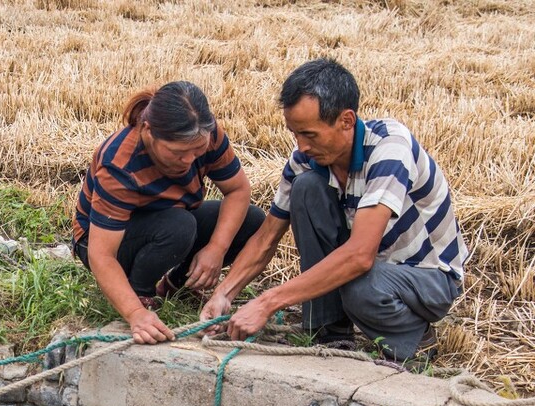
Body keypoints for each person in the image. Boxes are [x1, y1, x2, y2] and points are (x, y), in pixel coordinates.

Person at [201, 58, 467, 361]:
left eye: (310, 134)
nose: (300, 146)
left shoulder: (390, 149)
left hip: (428, 277)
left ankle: (416, 337)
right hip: (373, 268)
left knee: (359, 286)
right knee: (306, 188)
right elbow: (266, 238)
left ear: (346, 121)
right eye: (295, 134)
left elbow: (359, 256)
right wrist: (224, 293)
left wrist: (266, 303)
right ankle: (330, 333)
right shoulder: (305, 159)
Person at [72, 81, 265, 344]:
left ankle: (177, 287)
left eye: (197, 152)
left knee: (251, 221)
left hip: (170, 220)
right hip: (104, 241)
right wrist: (134, 313)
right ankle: (139, 293)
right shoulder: (119, 165)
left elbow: (238, 191)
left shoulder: (205, 136)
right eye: (178, 153)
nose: (189, 161)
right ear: (149, 131)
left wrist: (217, 248)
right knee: (178, 225)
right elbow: (101, 254)